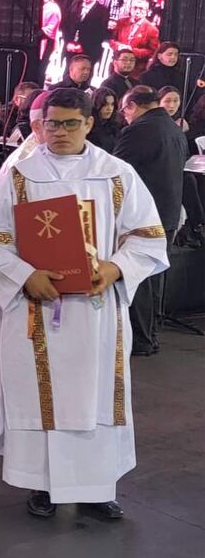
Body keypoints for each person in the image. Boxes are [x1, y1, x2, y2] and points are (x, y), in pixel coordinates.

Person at [0, 87, 169, 520]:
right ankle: (42, 485)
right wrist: (26, 276)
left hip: (96, 313)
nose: (58, 132)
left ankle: (97, 488)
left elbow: (148, 236)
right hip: (38, 308)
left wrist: (115, 269)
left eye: (70, 123)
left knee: (95, 395)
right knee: (43, 395)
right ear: (39, 124)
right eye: (51, 123)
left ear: (89, 124)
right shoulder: (19, 175)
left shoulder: (116, 174)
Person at [115, 85, 189, 356]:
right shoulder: (173, 128)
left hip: (143, 215)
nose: (124, 117)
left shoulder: (139, 130)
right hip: (168, 213)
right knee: (155, 276)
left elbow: (116, 171)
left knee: (139, 277)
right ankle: (151, 333)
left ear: (133, 105)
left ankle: (142, 339)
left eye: (124, 110)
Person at [63, 0, 110, 67]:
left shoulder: (102, 11)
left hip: (89, 51)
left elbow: (100, 34)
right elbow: (65, 25)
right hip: (70, 49)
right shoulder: (74, 4)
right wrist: (68, 42)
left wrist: (82, 47)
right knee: (67, 75)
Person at [111, 0, 159, 78]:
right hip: (117, 66)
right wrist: (119, 46)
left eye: (141, 9)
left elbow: (153, 51)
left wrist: (133, 51)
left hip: (136, 69)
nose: (137, 11)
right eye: (135, 8)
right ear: (130, 9)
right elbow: (112, 41)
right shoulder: (121, 22)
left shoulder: (152, 29)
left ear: (147, 11)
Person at [87, 86, 122, 153]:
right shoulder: (88, 127)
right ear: (96, 104)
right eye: (105, 104)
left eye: (112, 104)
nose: (109, 108)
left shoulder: (115, 125)